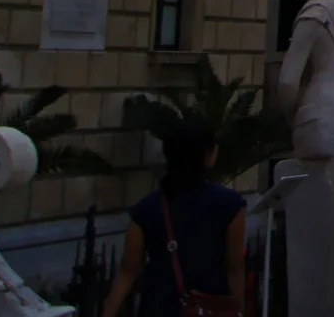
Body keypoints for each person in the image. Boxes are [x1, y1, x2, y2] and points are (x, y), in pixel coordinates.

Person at [102, 120, 246, 317]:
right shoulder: (231, 205)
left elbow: (128, 271)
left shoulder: (145, 210)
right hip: (208, 309)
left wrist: (108, 311)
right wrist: (239, 308)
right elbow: (235, 267)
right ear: (208, 155)